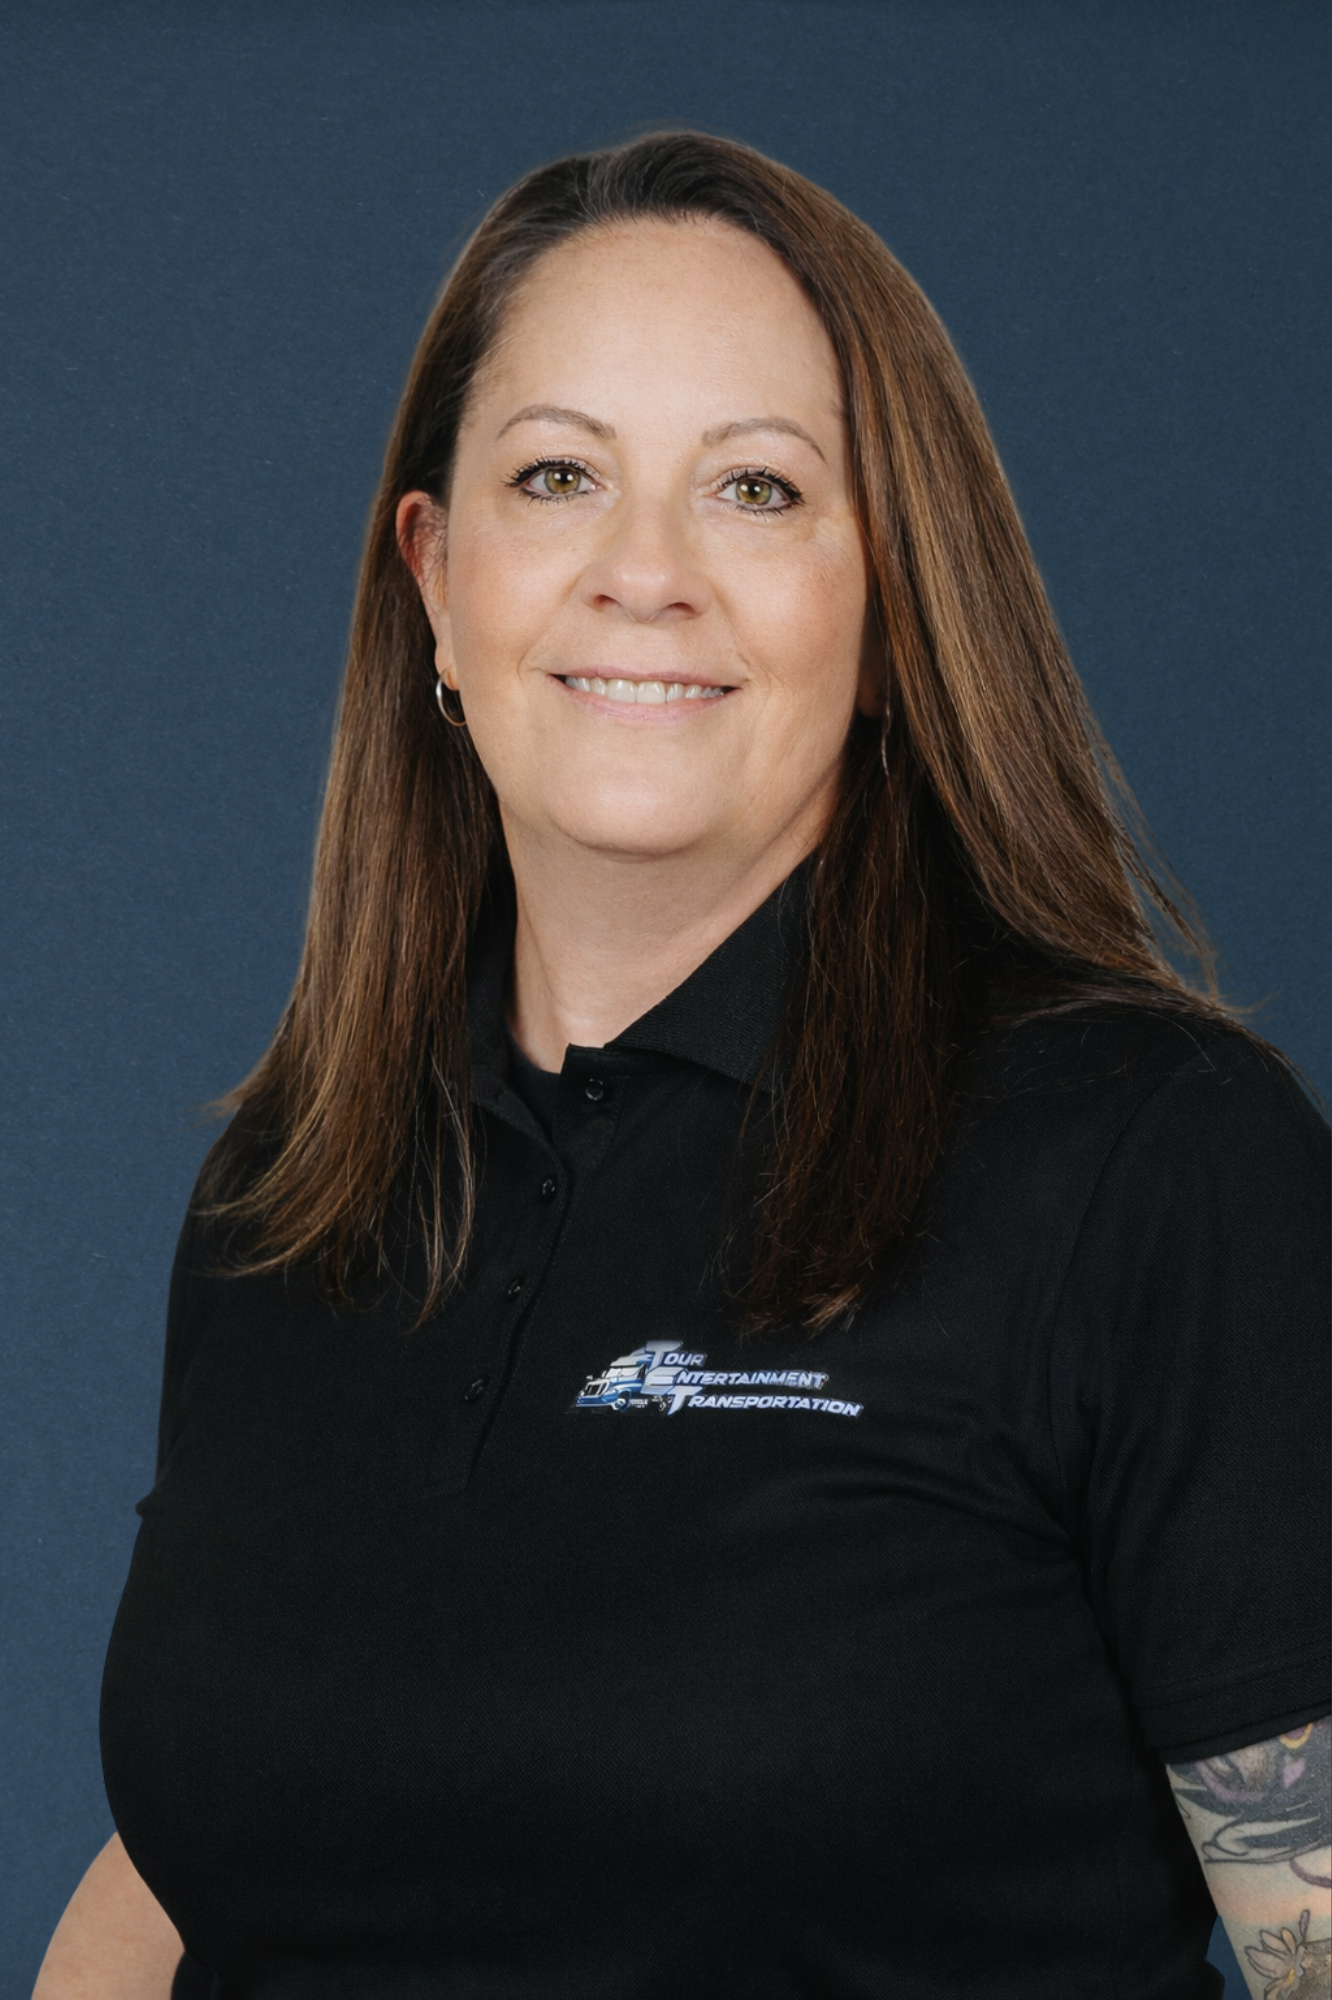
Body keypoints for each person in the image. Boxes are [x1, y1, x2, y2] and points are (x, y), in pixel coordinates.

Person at [36, 132, 1328, 2000]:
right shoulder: (293, 1191)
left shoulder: (1153, 1164)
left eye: (755, 490)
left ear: (888, 613)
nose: (645, 575)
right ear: (437, 584)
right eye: (558, 477)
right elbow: (204, 1853)